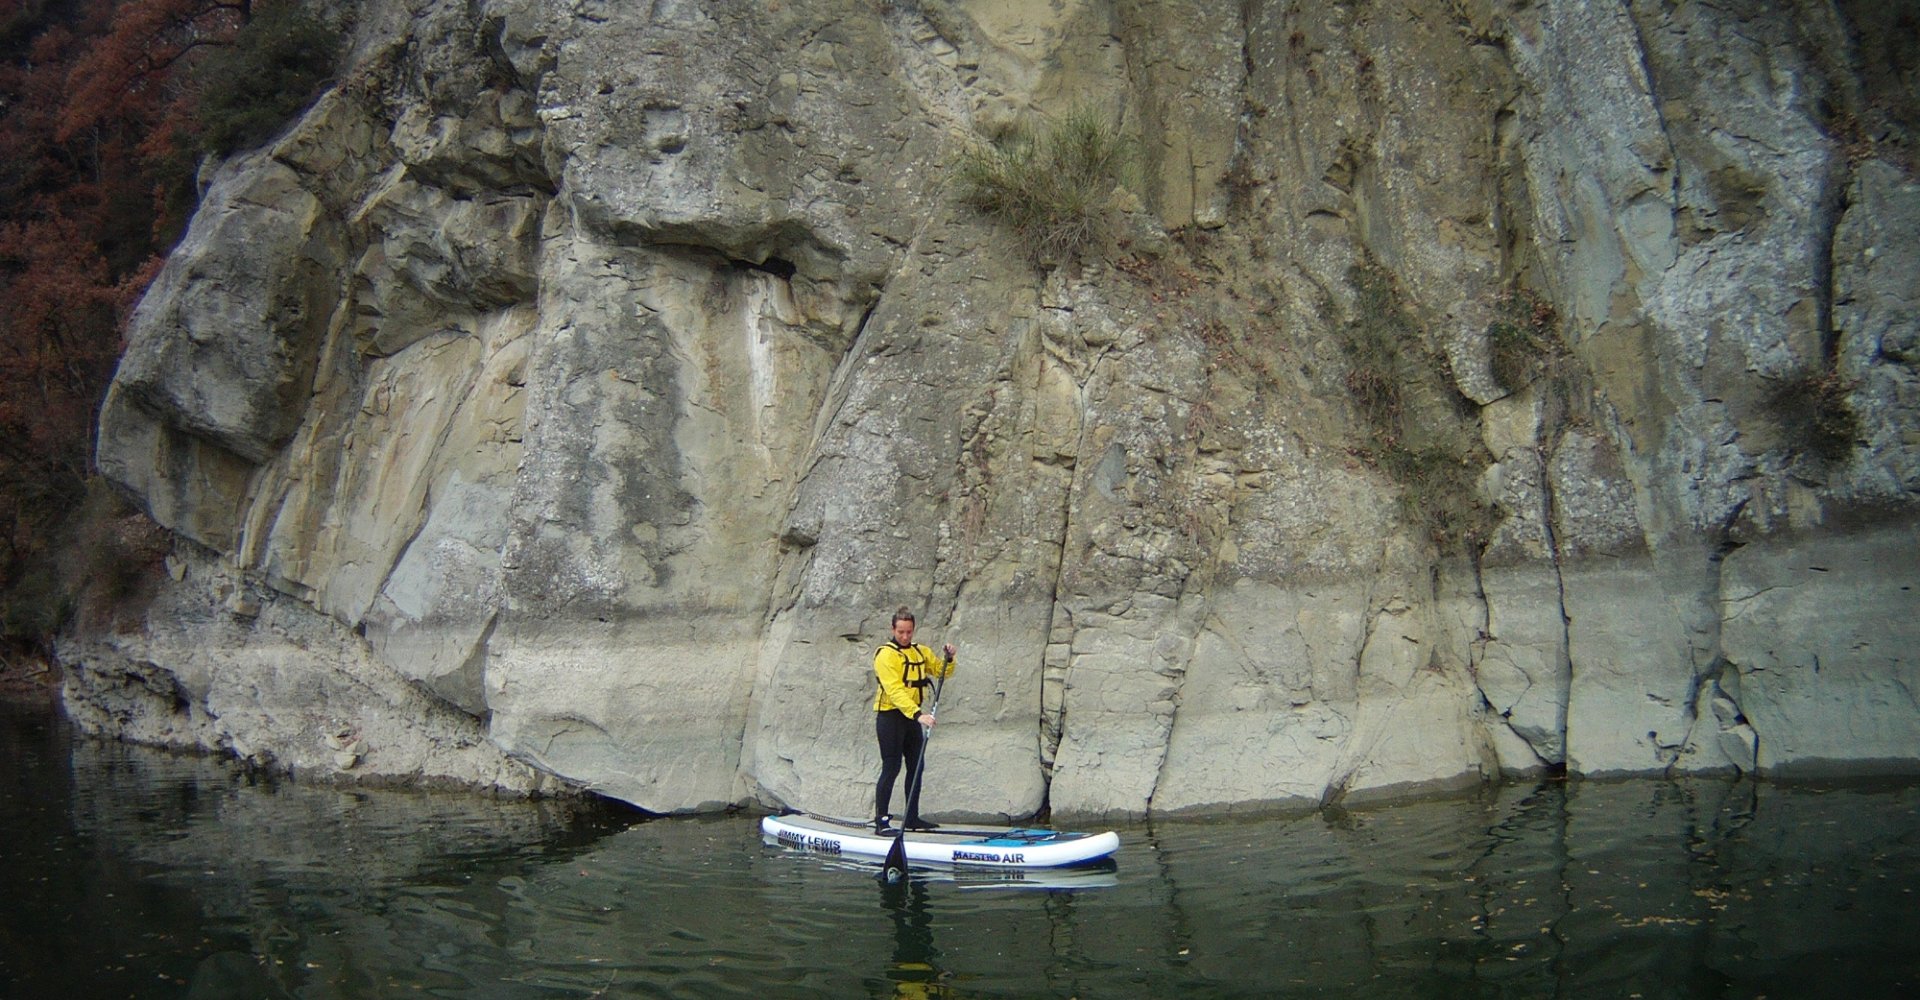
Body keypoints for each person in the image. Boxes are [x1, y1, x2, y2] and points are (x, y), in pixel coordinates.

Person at [873, 606, 955, 832]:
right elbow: (895, 691)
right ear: (893, 629)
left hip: (912, 718)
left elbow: (942, 671)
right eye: (901, 632)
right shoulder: (885, 655)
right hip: (891, 717)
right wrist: (919, 715)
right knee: (891, 766)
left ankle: (911, 818)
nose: (905, 636)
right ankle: (881, 821)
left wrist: (949, 658)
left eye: (909, 632)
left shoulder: (920, 652)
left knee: (917, 766)